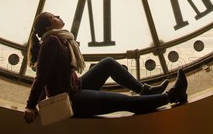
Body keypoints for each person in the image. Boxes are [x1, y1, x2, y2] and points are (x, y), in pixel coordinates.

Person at [23, 12, 188, 123]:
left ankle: (146, 91)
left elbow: (47, 77)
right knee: (124, 101)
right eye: (53, 16)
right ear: (48, 27)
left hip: (75, 88)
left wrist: (38, 102)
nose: (58, 16)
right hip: (72, 100)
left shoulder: (60, 40)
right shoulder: (52, 42)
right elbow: (42, 76)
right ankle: (172, 96)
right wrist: (31, 105)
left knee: (108, 63)